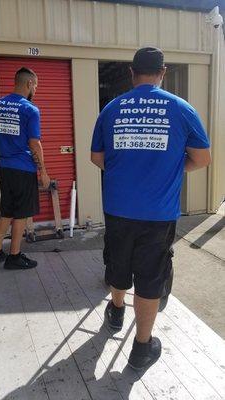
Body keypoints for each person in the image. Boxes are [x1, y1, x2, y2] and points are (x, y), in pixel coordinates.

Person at [91, 47, 211, 370]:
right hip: (157, 214)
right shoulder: (181, 109)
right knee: (149, 276)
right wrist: (169, 167)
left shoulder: (111, 109)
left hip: (117, 208)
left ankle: (115, 311)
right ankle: (142, 348)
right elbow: (202, 159)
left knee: (118, 263)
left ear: (132, 74)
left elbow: (97, 158)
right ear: (163, 72)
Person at [0, 67, 50, 270]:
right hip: (23, 169)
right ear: (29, 83)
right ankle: (14, 256)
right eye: (36, 86)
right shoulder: (30, 109)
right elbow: (34, 144)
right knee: (21, 213)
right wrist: (43, 172)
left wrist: (5, 155)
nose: (36, 90)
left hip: (4, 167)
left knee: (6, 209)